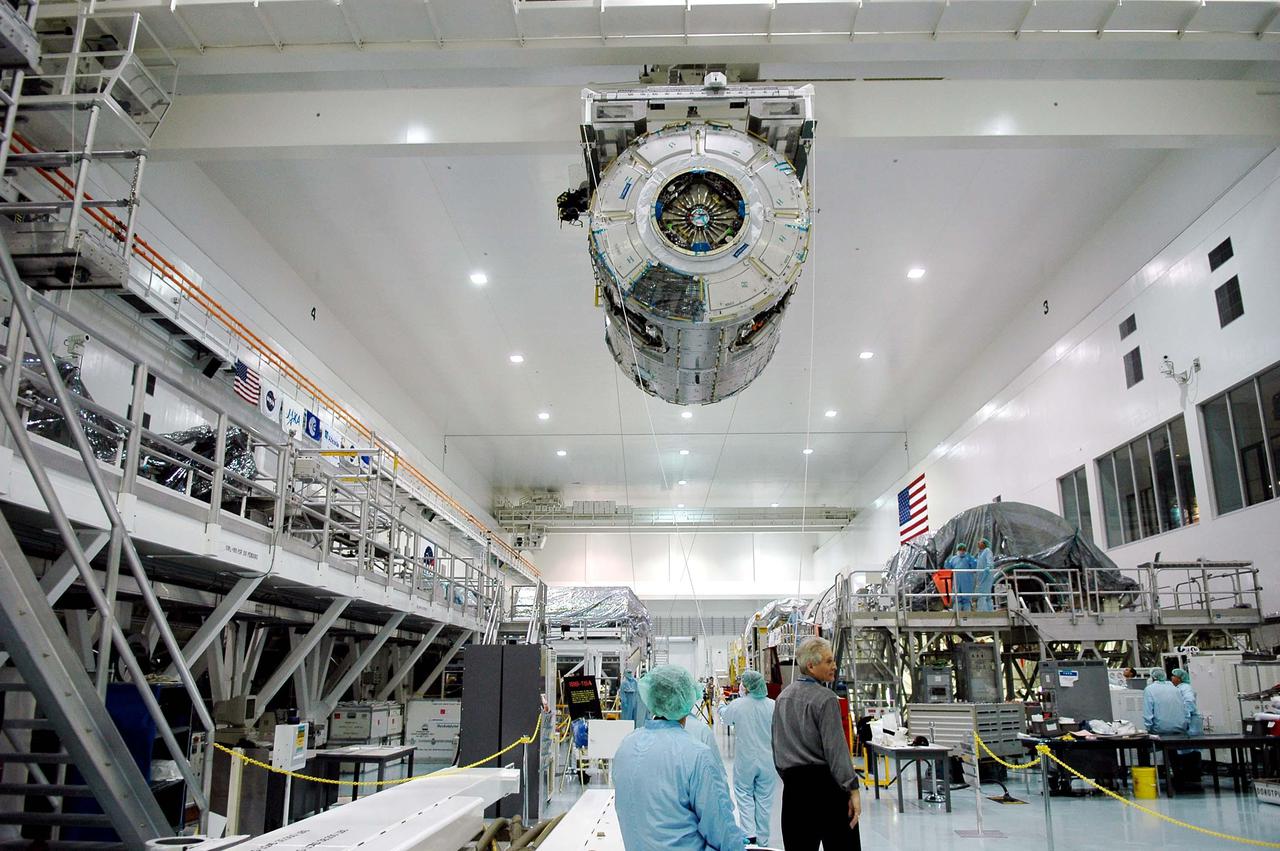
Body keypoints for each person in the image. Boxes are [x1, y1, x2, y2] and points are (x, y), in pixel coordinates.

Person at [614, 665, 747, 851]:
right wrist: (736, 843)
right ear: (686, 701)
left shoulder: (626, 746)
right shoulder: (696, 754)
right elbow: (720, 828)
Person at [772, 636, 861, 851]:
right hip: (826, 789)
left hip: (794, 792)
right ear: (811, 666)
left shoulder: (782, 699)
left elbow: (777, 748)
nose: (834, 666)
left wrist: (793, 780)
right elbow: (836, 750)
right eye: (829, 661)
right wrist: (852, 789)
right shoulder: (826, 699)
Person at [718, 670, 776, 846]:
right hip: (768, 760)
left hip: (746, 760)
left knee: (744, 795)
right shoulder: (773, 705)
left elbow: (725, 717)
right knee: (765, 799)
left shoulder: (738, 705)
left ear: (747, 686)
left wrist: (721, 703)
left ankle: (749, 836)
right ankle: (763, 840)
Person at [1142, 668, 1190, 735]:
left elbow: (1148, 713)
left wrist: (1147, 729)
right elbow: (1185, 708)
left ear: (1152, 677)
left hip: (1160, 730)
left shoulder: (1149, 689)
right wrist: (1186, 723)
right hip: (1180, 728)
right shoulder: (1175, 689)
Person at [945, 543, 979, 611]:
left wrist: (971, 560)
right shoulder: (954, 559)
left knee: (966, 600)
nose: (962, 551)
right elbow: (948, 569)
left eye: (963, 549)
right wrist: (947, 562)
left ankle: (966, 617)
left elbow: (974, 568)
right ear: (957, 550)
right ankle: (956, 615)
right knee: (957, 599)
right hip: (957, 582)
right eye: (960, 549)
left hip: (967, 582)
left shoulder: (969, 558)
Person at [1171, 669, 1203, 736]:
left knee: (1192, 743)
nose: (1172, 677)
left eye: (1174, 676)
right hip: (1187, 721)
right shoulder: (1178, 688)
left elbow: (1190, 701)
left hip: (1191, 722)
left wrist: (1186, 718)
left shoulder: (1185, 687)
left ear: (1179, 679)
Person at [974, 538, 997, 611]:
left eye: (980, 542)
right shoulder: (980, 553)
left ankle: (983, 612)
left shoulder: (987, 551)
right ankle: (989, 610)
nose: (978, 543)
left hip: (986, 575)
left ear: (984, 544)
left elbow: (989, 561)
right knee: (987, 595)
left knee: (982, 595)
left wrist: (988, 567)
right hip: (982, 576)